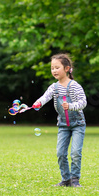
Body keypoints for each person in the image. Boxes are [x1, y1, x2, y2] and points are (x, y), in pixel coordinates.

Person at [32, 53, 87, 187]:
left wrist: (71, 106)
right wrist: (38, 103)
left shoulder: (74, 86)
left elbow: (83, 102)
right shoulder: (54, 87)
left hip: (78, 124)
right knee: (60, 153)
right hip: (63, 125)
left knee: (75, 153)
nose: (54, 70)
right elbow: (45, 97)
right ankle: (66, 179)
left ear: (67, 69)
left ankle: (75, 179)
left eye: (57, 67)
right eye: (52, 68)